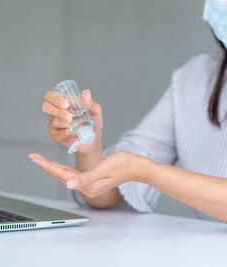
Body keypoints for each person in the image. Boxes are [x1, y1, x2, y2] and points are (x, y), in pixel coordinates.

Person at [29, 0, 227, 222]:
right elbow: (111, 192)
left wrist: (147, 172)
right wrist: (89, 151)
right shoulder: (197, 77)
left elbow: (138, 169)